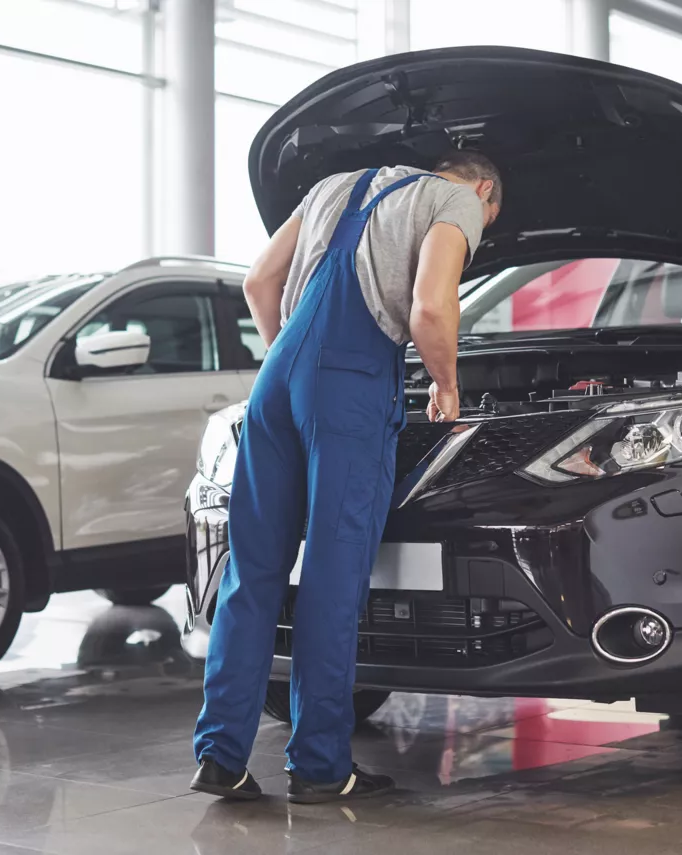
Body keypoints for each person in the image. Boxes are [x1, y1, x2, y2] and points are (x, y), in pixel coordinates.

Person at [191, 151, 503, 803]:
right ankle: (321, 766)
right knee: (333, 579)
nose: (481, 229)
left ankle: (220, 755)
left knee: (252, 573)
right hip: (351, 384)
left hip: (277, 378)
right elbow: (428, 309)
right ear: (482, 188)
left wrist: (294, 361)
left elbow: (258, 283)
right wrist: (446, 386)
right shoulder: (459, 201)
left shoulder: (333, 184)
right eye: (489, 220)